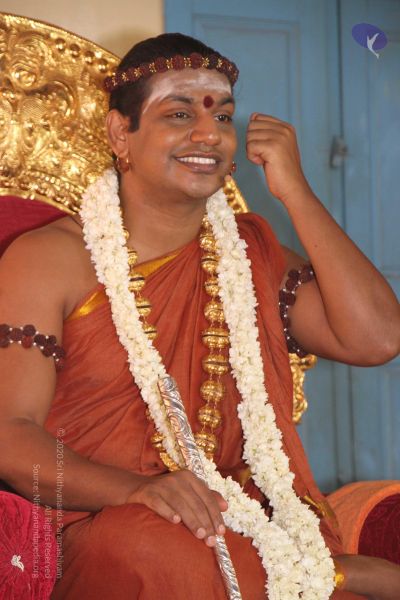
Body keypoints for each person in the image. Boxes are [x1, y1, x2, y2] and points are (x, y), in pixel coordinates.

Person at [0, 32, 399, 600]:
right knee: (154, 547)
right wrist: (137, 490)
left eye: (224, 117)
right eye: (180, 113)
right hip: (107, 522)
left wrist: (295, 192)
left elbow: (377, 338)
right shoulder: (48, 259)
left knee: (208, 544)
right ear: (120, 133)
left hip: (245, 521)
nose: (209, 134)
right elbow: (11, 436)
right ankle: (339, 577)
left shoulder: (248, 254)